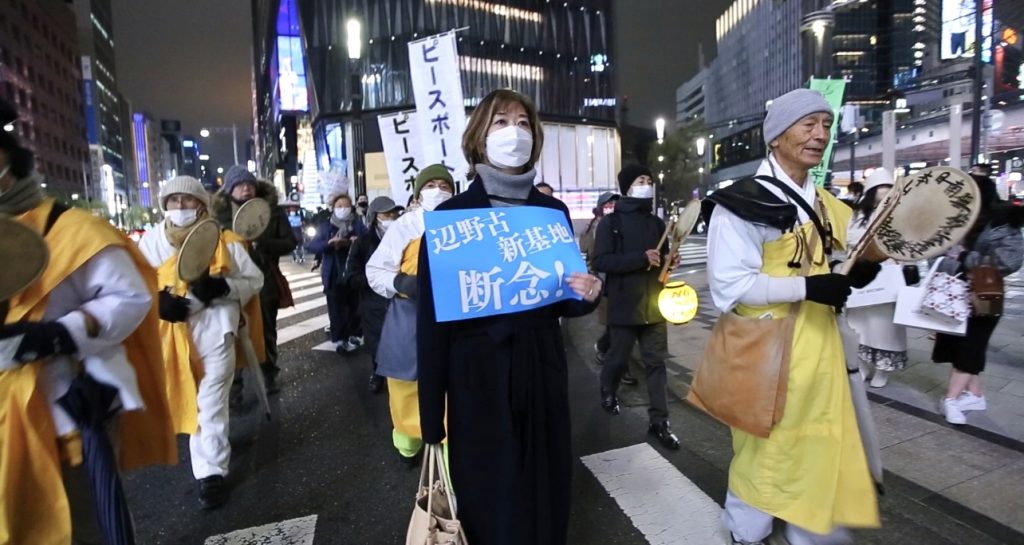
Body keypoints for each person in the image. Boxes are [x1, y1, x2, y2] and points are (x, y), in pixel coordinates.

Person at [417, 89, 603, 545]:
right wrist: (429, 418)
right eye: (500, 122)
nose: (513, 132)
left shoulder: (552, 213)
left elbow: (564, 297)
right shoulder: (451, 218)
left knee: (546, 480)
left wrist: (589, 294)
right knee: (488, 488)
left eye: (523, 122)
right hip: (474, 374)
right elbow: (432, 325)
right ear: (479, 138)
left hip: (541, 366)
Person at [703, 88, 881, 544]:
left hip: (823, 348)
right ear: (777, 136)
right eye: (808, 124)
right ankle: (747, 529)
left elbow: (847, 257)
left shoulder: (826, 202)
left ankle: (814, 531)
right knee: (766, 447)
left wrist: (861, 271)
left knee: (822, 444)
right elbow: (731, 288)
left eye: (825, 124)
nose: (820, 135)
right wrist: (810, 287)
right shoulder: (739, 202)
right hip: (767, 352)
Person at [0, 126, 176, 543]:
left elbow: (130, 297)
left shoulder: (71, 229)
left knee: (83, 528)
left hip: (68, 409)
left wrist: (57, 335)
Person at [138, 176, 264, 509]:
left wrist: (224, 289)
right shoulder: (148, 243)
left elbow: (254, 279)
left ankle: (210, 474)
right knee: (191, 401)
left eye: (188, 200)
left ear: (202, 205)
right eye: (173, 200)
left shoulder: (223, 241)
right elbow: (130, 287)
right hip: (171, 337)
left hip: (216, 330)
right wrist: (156, 302)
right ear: (164, 205)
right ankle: (213, 450)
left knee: (210, 403)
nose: (180, 207)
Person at [366, 164, 455, 467]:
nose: (438, 191)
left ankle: (450, 444)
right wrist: (400, 282)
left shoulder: (462, 223)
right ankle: (407, 441)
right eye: (431, 185)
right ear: (418, 194)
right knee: (405, 384)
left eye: (445, 185)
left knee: (453, 382)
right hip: (409, 314)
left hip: (452, 316)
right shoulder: (404, 226)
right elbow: (375, 270)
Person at [591, 164, 680, 449]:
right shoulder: (610, 223)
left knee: (656, 363)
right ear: (627, 187)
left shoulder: (656, 223)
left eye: (649, 180)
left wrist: (669, 261)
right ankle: (608, 388)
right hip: (624, 306)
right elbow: (601, 262)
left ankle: (660, 421)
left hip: (655, 305)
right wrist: (641, 258)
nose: (647, 184)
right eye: (641, 180)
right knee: (617, 358)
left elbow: (662, 259)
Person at [935, 173, 1024, 424]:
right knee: (956, 347)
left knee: (971, 346)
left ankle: (950, 400)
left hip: (984, 293)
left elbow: (1010, 260)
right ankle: (975, 395)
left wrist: (966, 258)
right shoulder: (957, 218)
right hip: (952, 292)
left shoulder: (1004, 222)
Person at [212, 165, 296, 394]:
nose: (246, 189)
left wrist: (265, 245)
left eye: (249, 184)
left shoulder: (271, 211)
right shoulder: (219, 217)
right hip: (231, 280)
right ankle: (234, 384)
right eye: (239, 185)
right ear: (230, 190)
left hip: (265, 278)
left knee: (267, 328)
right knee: (231, 331)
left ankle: (269, 374)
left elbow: (290, 242)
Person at [846, 168, 910, 389]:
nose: (884, 193)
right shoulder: (858, 214)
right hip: (862, 274)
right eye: (880, 189)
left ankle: (882, 369)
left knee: (885, 327)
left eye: (888, 189)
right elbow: (850, 237)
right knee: (860, 324)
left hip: (889, 275)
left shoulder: (900, 214)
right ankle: (862, 365)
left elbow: (907, 243)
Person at [346, 196, 403, 394]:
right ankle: (377, 374)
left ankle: (400, 376)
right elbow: (351, 274)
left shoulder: (406, 236)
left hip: (401, 299)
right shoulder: (363, 243)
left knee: (400, 339)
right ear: (375, 217)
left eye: (394, 213)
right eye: (386, 214)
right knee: (377, 339)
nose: (392, 217)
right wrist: (375, 281)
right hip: (373, 302)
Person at [307, 193, 366, 353]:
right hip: (333, 273)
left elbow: (367, 240)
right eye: (339, 206)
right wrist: (329, 244)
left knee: (355, 305)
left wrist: (356, 242)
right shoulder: (326, 225)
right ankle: (340, 338)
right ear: (333, 208)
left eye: (346, 206)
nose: (343, 209)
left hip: (353, 272)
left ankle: (355, 334)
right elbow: (313, 245)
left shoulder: (358, 223)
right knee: (336, 308)